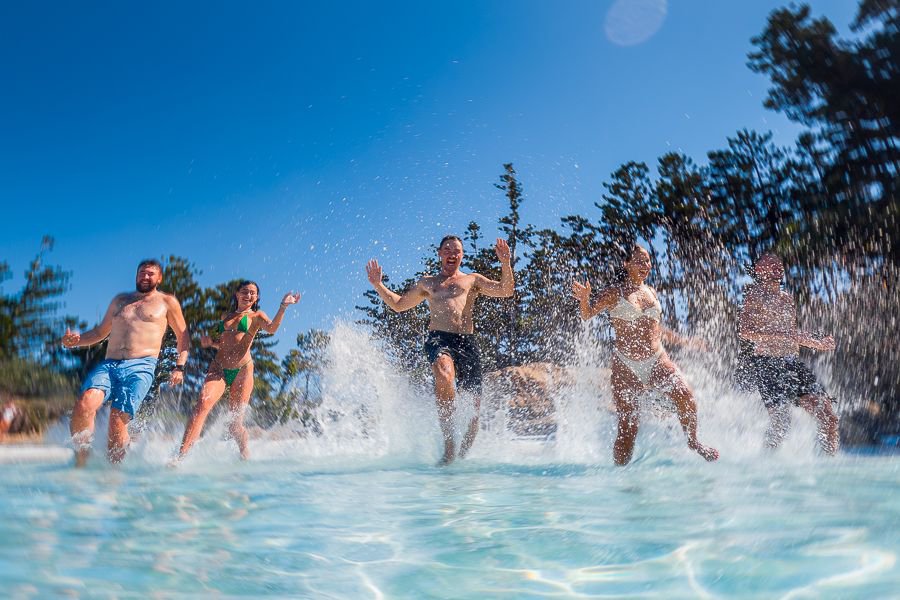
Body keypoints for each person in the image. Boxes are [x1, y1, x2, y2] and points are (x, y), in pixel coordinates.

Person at [366, 235, 514, 465]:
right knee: (444, 373)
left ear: (462, 255)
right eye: (447, 250)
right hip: (440, 339)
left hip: (467, 342)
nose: (452, 254)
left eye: (456, 250)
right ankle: (449, 447)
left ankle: (461, 459)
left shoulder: (472, 280)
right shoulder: (428, 283)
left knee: (473, 412)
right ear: (439, 254)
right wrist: (378, 284)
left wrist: (505, 263)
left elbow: (506, 290)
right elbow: (398, 305)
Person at [572, 245, 719, 466]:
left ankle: (693, 441)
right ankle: (620, 473)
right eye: (640, 261)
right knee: (628, 428)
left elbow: (656, 328)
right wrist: (584, 299)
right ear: (627, 264)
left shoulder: (651, 292)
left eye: (648, 261)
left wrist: (686, 342)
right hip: (626, 367)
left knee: (685, 396)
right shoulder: (614, 292)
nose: (646, 266)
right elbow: (586, 315)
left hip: (657, 360)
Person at [62, 259, 189, 466]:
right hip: (110, 364)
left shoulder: (167, 302)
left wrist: (180, 366)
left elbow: (183, 337)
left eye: (150, 273)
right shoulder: (121, 300)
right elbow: (99, 332)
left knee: (117, 418)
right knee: (84, 404)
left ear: (159, 278)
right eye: (141, 273)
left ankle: (114, 474)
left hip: (141, 365)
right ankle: (81, 463)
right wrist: (75, 341)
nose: (145, 277)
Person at [175, 281, 300, 461]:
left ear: (256, 297)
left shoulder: (256, 316)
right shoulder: (225, 316)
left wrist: (283, 307)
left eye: (252, 293)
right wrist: (210, 342)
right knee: (202, 404)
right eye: (244, 292)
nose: (248, 295)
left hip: (242, 371)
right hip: (218, 368)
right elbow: (225, 343)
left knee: (235, 425)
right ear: (237, 294)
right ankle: (181, 456)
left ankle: (244, 452)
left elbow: (272, 329)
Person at [738, 253, 839, 454]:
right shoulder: (754, 296)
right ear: (759, 271)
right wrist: (782, 336)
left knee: (829, 417)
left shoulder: (787, 299)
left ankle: (831, 466)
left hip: (792, 363)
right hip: (767, 364)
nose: (777, 268)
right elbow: (745, 332)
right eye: (770, 265)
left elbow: (791, 336)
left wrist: (816, 343)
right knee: (781, 424)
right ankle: (763, 463)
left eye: (779, 265)